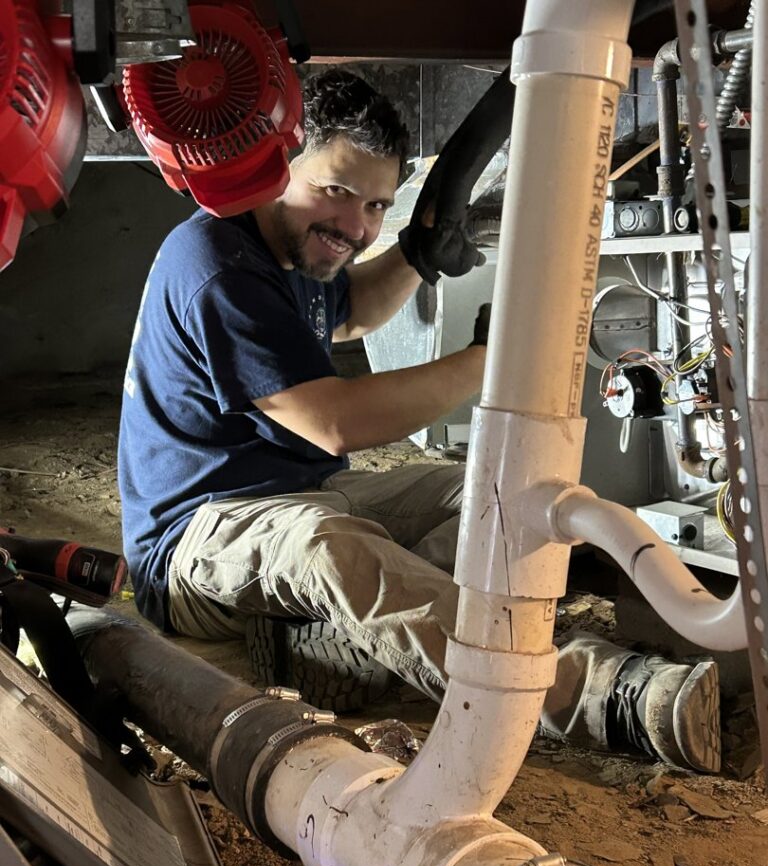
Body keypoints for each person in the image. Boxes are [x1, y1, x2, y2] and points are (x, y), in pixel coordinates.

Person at [119, 68, 719, 774]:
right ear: (277, 164)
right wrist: (491, 360)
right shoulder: (217, 260)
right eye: (337, 191)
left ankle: (329, 640)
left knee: (491, 493)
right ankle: (606, 697)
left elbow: (353, 313)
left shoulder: (291, 247)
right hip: (196, 539)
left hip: (303, 496)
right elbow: (334, 422)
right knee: (326, 547)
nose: (355, 227)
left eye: (376, 204)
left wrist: (416, 252)